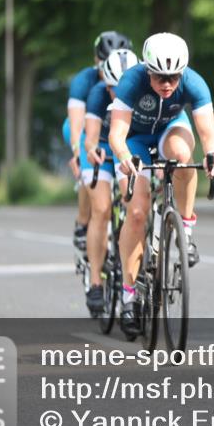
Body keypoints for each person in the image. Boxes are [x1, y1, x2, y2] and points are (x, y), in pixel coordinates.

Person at [108, 32, 214, 336]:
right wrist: (123, 157)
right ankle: (129, 295)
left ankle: (184, 228)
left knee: (184, 156)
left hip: (171, 130)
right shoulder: (131, 82)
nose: (167, 84)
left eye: (173, 77)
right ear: (147, 69)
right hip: (134, 140)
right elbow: (117, 134)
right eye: (160, 77)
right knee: (135, 213)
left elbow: (208, 133)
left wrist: (213, 155)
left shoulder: (194, 83)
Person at [63, 31, 132, 255]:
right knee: (87, 167)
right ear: (96, 60)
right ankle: (83, 222)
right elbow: (76, 123)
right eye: (104, 62)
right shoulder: (84, 81)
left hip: (115, 127)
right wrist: (77, 151)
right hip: (85, 126)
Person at [81, 47, 138, 315]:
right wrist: (91, 148)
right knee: (102, 209)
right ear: (106, 83)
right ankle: (95, 282)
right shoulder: (96, 95)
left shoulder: (142, 89)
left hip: (128, 147)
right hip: (102, 149)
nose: (119, 94)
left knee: (134, 201)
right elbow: (90, 136)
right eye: (114, 88)